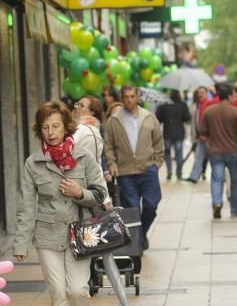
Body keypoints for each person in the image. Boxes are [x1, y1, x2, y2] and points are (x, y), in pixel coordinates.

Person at [13, 100, 107, 306]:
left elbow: (100, 194)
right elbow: (26, 204)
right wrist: (21, 241)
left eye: (55, 126)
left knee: (77, 290)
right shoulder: (34, 164)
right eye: (45, 127)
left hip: (80, 233)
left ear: (66, 127)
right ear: (38, 130)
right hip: (47, 235)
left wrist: (81, 193)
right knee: (58, 292)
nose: (51, 132)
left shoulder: (83, 157)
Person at [104, 84, 164, 251]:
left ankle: (141, 233)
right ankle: (137, 244)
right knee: (132, 209)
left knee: (152, 205)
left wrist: (157, 162)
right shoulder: (114, 120)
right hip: (125, 172)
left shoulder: (149, 117)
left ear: (137, 97)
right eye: (126, 97)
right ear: (122, 99)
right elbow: (108, 145)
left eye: (132, 96)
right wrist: (112, 163)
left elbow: (158, 141)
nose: (129, 100)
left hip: (148, 169)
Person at [199, 83, 237, 219]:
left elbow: (203, 131)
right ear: (230, 96)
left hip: (215, 151)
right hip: (234, 151)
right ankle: (235, 210)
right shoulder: (236, 112)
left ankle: (217, 203)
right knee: (235, 181)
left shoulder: (209, 111)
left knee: (217, 179)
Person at [73, 95, 112, 207]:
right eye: (77, 104)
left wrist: (105, 198)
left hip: (80, 187)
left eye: (82, 105)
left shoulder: (82, 130)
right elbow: (97, 165)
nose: (77, 107)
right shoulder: (93, 128)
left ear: (92, 112)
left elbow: (94, 165)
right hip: (87, 187)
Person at [156, 90, 191, 180]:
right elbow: (187, 118)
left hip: (167, 133)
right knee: (179, 153)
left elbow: (158, 117)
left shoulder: (164, 104)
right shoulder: (182, 105)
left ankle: (169, 170)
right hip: (179, 133)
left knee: (167, 153)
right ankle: (179, 173)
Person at [184, 86, 210, 183]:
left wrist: (206, 135)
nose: (200, 94)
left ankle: (222, 176)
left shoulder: (209, 104)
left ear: (207, 93)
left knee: (213, 158)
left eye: (202, 92)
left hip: (208, 137)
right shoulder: (198, 105)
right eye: (199, 92)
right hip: (200, 136)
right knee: (198, 156)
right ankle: (194, 176)